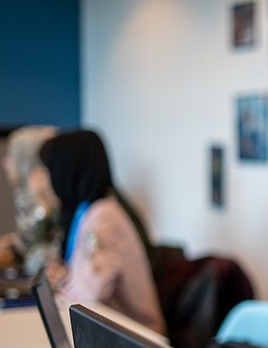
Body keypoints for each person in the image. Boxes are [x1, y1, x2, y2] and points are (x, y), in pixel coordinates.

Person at [30, 130, 166, 334]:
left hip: (138, 340)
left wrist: (56, 289)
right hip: (111, 334)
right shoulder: (87, 213)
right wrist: (64, 277)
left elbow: (86, 298)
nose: (46, 182)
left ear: (67, 171)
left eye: (49, 172)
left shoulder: (105, 220)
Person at [0, 125, 60, 274]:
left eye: (11, 156)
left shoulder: (54, 204)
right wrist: (13, 249)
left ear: (28, 160)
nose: (5, 164)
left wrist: (43, 211)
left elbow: (38, 263)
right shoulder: (26, 199)